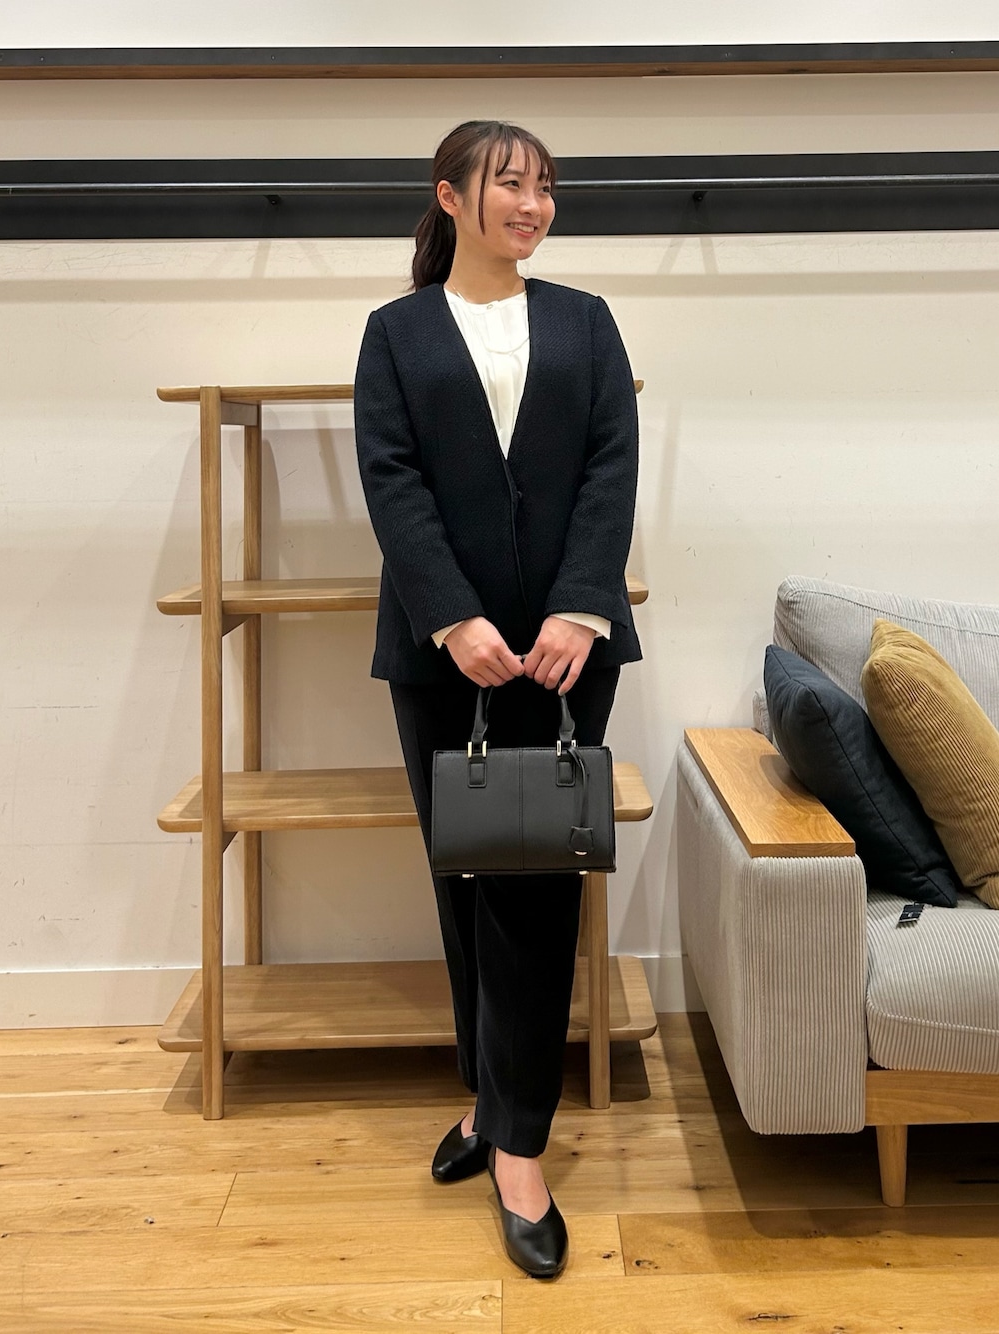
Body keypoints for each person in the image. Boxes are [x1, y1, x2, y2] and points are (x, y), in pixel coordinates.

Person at [354, 119, 640, 1279]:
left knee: (530, 892)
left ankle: (517, 1146)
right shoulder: (396, 332)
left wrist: (579, 606)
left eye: (545, 188)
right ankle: (487, 1095)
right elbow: (391, 478)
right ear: (450, 196)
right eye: (510, 184)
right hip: (445, 655)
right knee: (465, 878)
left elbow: (612, 463)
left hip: (567, 658)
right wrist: (452, 616)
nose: (532, 205)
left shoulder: (585, 320)